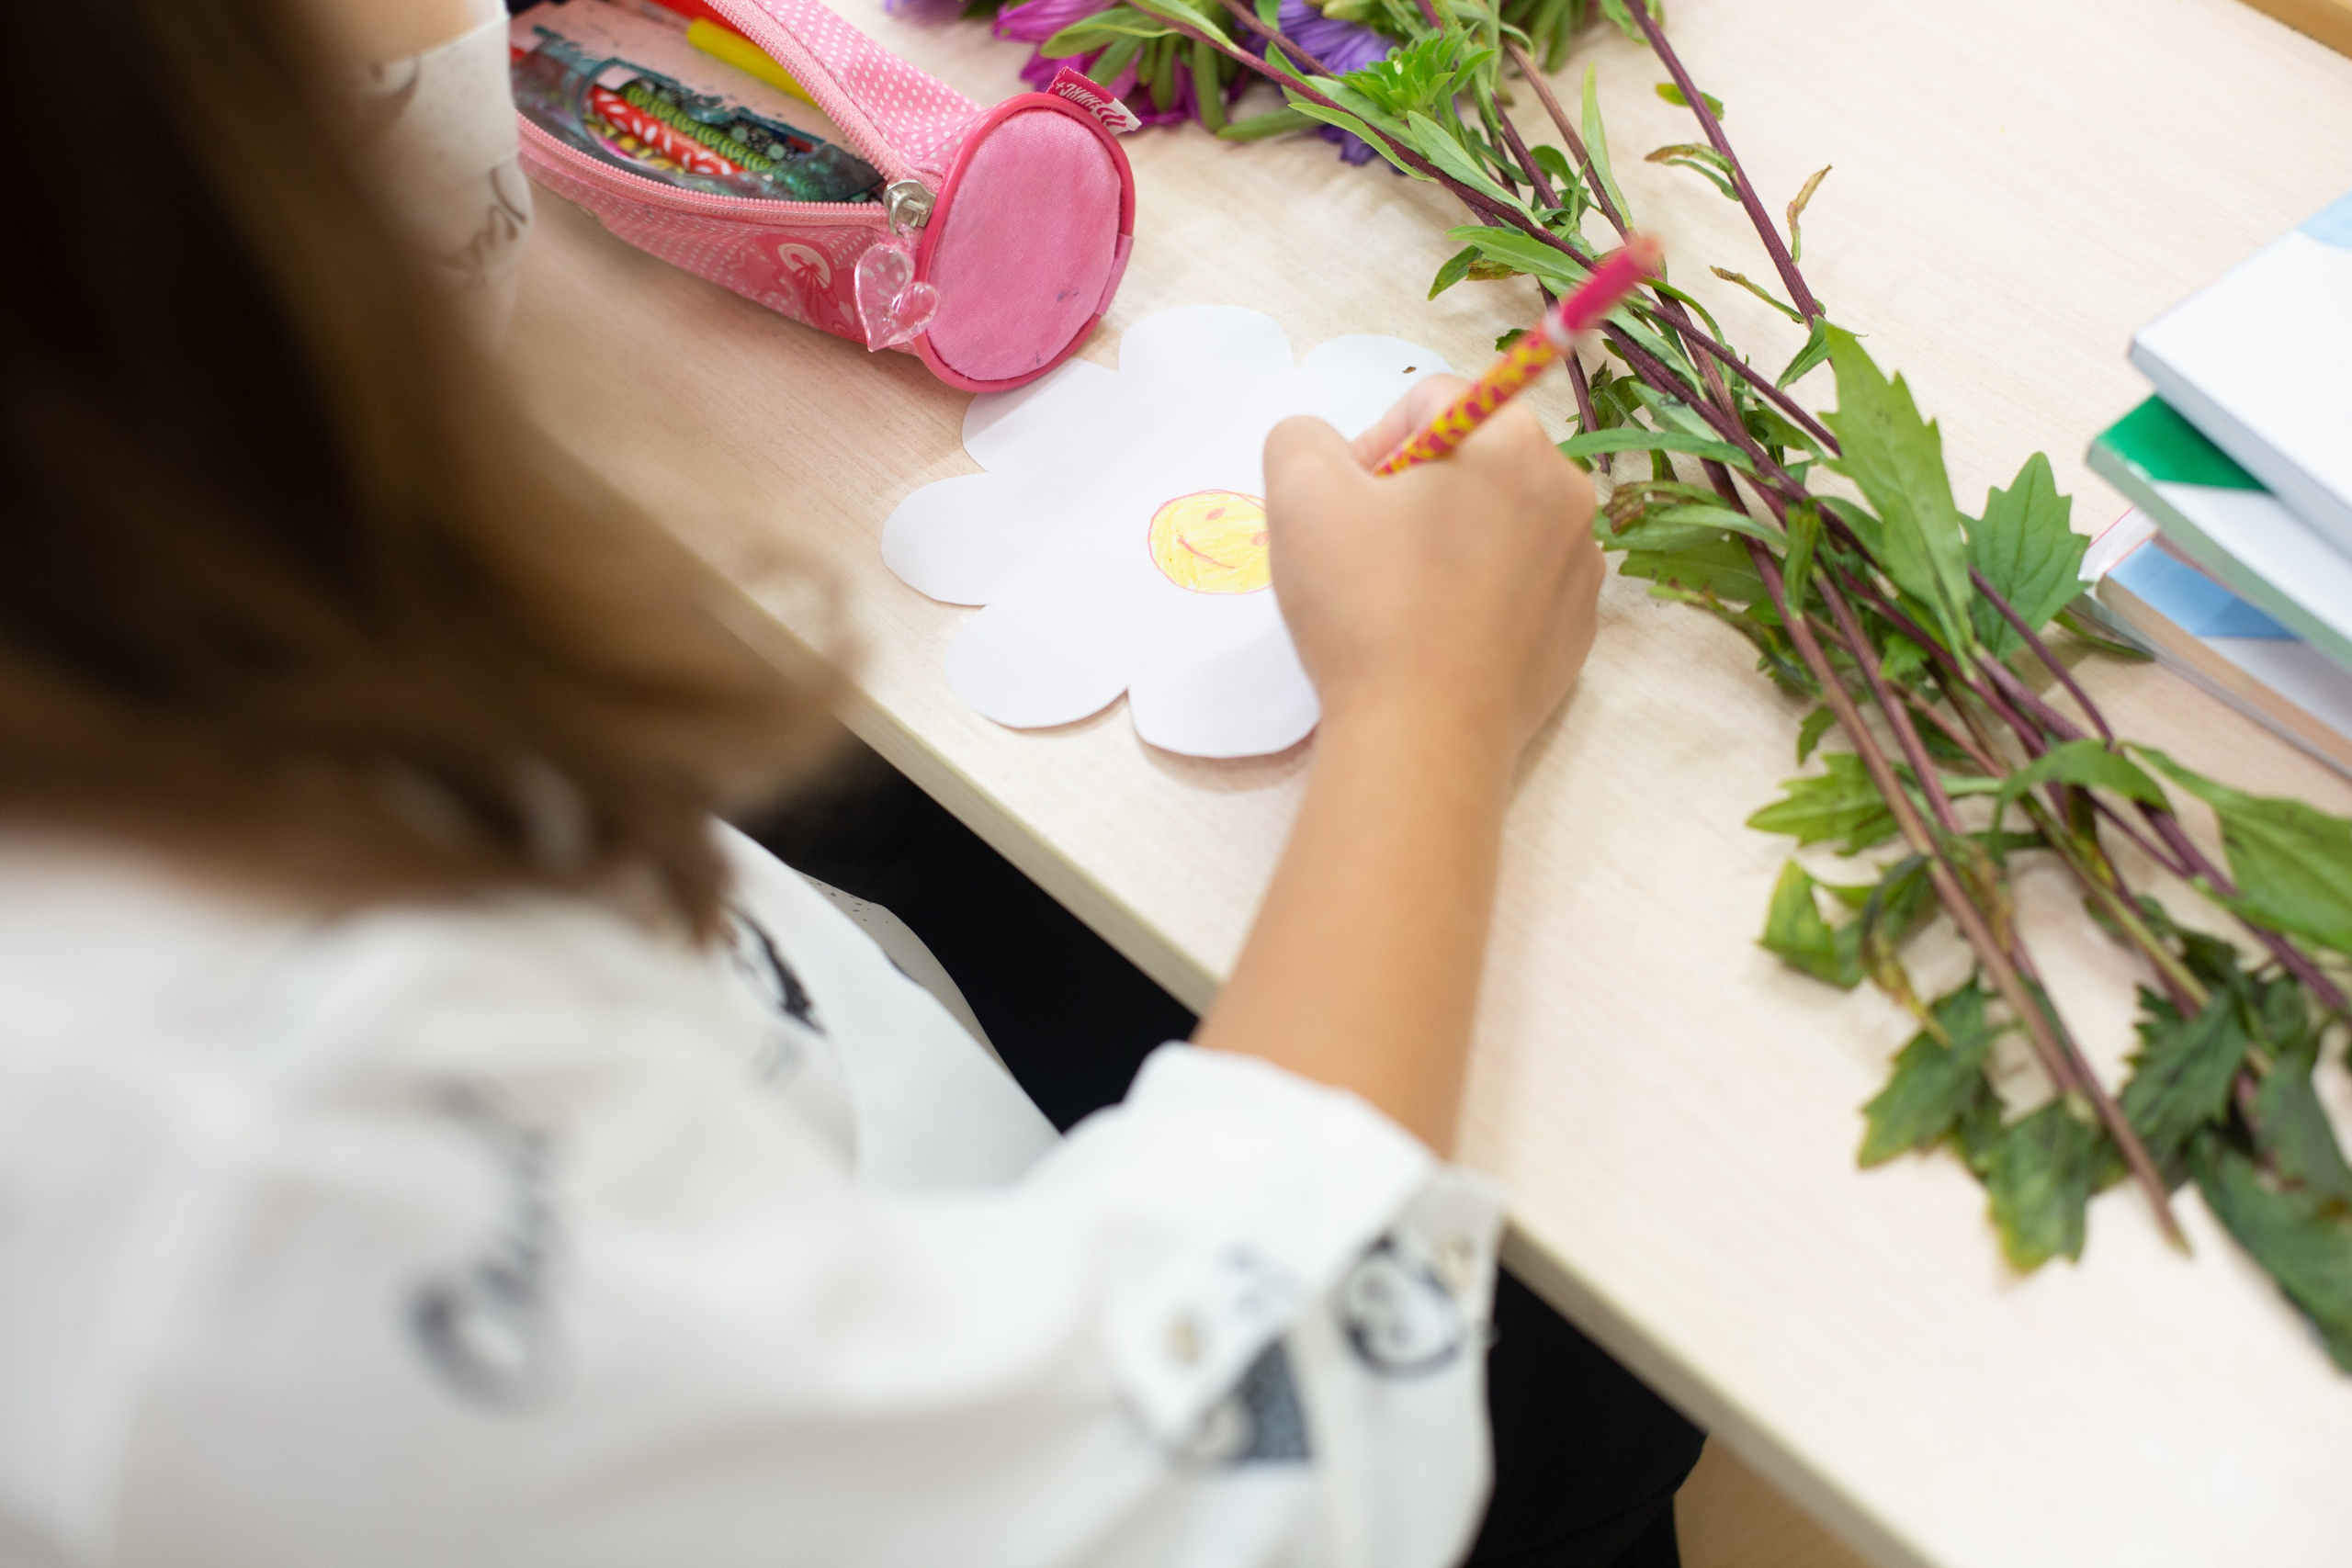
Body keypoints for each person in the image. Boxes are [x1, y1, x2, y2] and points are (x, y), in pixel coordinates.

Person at [0, 2, 1694, 1566]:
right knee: (1601, 1347)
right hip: (961, 1390)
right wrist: (1430, 710)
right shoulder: (275, 1147)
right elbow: (1171, 1484)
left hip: (748, 1053)